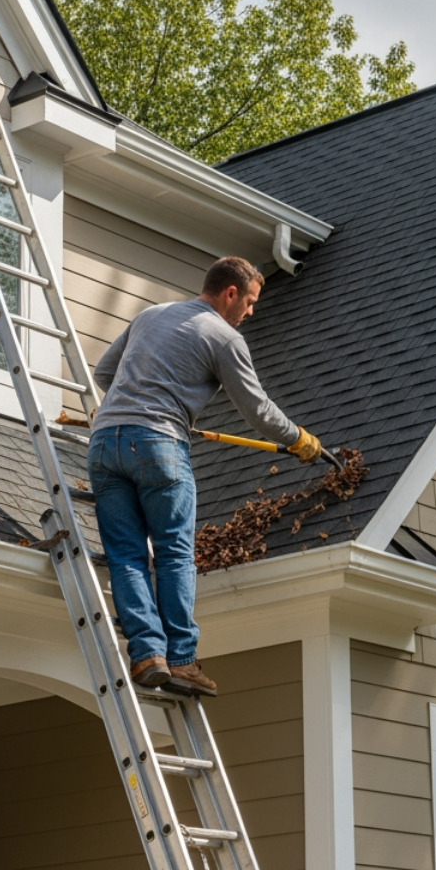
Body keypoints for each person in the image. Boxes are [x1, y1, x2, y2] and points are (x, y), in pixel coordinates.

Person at [88, 257, 321, 696]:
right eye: (250, 302)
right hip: (158, 446)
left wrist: (146, 403)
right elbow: (258, 410)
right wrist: (299, 439)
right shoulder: (222, 336)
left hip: (103, 444)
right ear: (230, 293)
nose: (250, 313)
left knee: (127, 556)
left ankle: (147, 655)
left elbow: (104, 373)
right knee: (174, 553)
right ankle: (180, 660)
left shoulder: (150, 314)